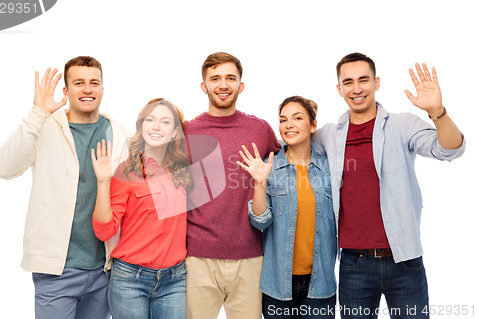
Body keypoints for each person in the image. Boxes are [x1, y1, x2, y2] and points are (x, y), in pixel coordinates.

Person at [314, 52, 465, 318]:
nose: (357, 88)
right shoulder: (328, 134)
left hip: (404, 260)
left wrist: (437, 113)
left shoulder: (401, 124)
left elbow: (449, 149)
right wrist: (301, 116)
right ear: (339, 89)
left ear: (377, 82)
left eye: (364, 80)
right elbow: (294, 151)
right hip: (353, 263)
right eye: (348, 82)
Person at [0, 56, 130, 319]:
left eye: (94, 83)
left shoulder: (119, 132)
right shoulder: (44, 128)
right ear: (66, 91)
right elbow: (3, 169)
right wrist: (37, 114)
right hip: (56, 270)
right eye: (79, 83)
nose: (87, 89)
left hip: (106, 270)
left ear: (103, 89)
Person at [184, 52, 280, 319]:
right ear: (204, 86)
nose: (223, 85)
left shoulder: (260, 130)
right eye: (215, 79)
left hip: (250, 256)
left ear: (241, 85)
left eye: (230, 78)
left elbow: (291, 161)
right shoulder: (187, 131)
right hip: (198, 257)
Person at [237, 96, 337, 319]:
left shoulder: (330, 169)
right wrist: (260, 182)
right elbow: (260, 221)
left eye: (297, 118)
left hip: (320, 283)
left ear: (313, 126)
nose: (288, 124)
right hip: (278, 284)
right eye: (283, 120)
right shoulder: (268, 167)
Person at [91, 98, 192, 319]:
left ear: (175, 132)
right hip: (130, 280)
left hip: (174, 280)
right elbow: (104, 231)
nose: (156, 126)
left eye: (165, 122)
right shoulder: (125, 171)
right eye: (150, 119)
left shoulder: (182, 172)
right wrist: (103, 182)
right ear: (141, 126)